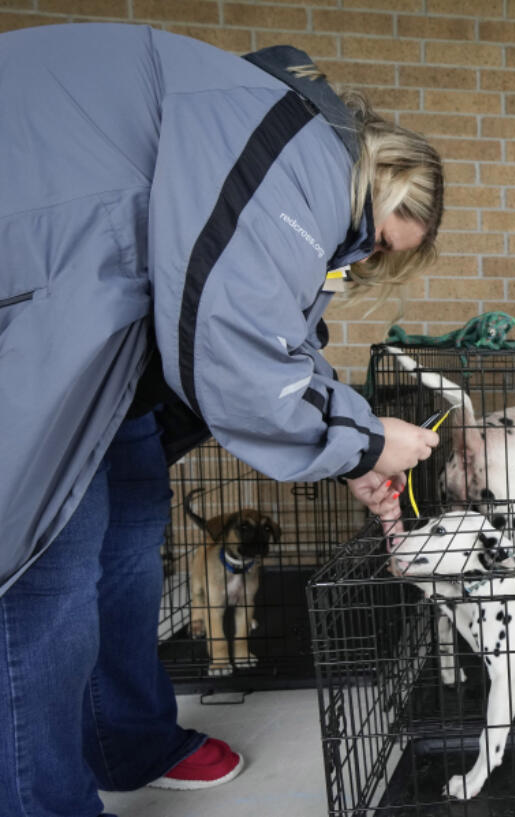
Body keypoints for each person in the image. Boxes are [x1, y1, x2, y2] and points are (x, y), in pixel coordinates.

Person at [0, 23, 443, 816]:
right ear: (375, 171)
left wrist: (354, 455)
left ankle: (125, 738)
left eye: (383, 257)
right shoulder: (306, 162)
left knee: (133, 528)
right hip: (34, 307)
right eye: (378, 240)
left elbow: (278, 342)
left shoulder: (292, 172)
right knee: (49, 575)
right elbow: (241, 363)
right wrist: (373, 439)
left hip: (94, 336)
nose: (368, 262)